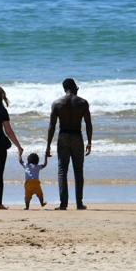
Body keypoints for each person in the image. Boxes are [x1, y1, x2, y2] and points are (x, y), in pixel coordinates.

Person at [45, 78, 91, 210]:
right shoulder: (82, 103)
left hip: (63, 136)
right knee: (78, 171)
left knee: (62, 171)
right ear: (75, 87)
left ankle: (63, 204)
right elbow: (88, 124)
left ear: (64, 89)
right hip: (77, 137)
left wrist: (48, 145)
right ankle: (79, 203)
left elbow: (51, 126)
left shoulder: (57, 103)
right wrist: (89, 142)